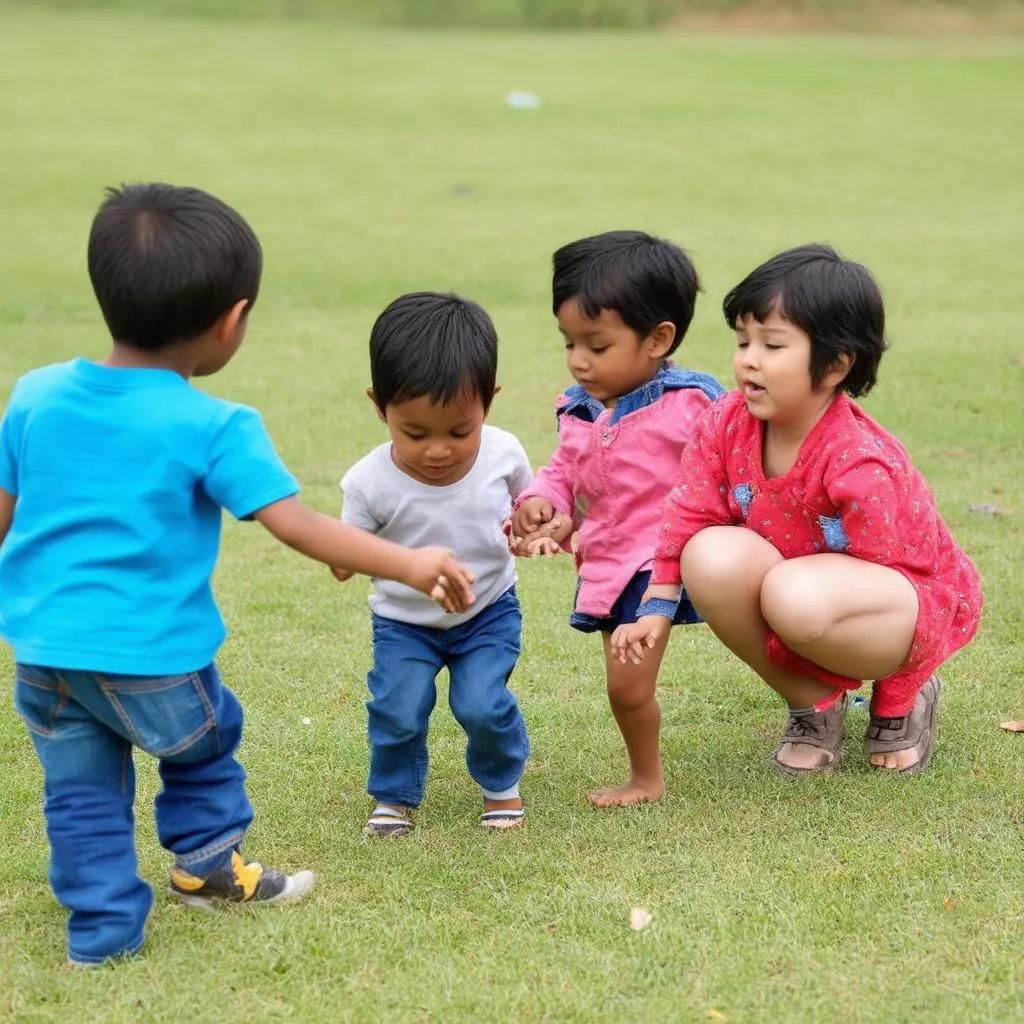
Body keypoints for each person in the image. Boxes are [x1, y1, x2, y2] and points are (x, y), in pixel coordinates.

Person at [0, 183, 476, 968]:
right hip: (151, 653)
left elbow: (5, 512)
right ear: (231, 321)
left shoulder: (36, 396)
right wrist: (410, 562)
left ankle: (102, 930)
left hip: (44, 651)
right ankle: (208, 862)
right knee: (208, 735)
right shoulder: (214, 425)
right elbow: (298, 526)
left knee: (81, 787)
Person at [612, 243, 982, 775]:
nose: (749, 359)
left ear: (835, 365)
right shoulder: (725, 422)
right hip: (802, 590)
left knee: (794, 595)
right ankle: (815, 705)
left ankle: (909, 698)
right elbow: (689, 510)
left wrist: (898, 693)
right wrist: (657, 603)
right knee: (709, 554)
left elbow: (912, 577)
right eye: (743, 340)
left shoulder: (859, 462)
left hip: (905, 604)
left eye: (772, 345)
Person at [507, 231, 723, 807]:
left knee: (767, 636)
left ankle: (825, 697)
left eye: (597, 345)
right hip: (614, 566)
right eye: (569, 342)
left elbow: (735, 465)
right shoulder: (578, 407)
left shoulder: (692, 403)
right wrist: (542, 502)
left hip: (673, 559)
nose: (579, 360)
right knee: (626, 690)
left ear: (658, 339)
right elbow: (567, 473)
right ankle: (646, 777)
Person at [338, 292, 532, 837]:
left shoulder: (504, 454)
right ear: (379, 407)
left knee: (481, 704)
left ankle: (501, 786)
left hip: (487, 611)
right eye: (416, 433)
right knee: (397, 707)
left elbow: (531, 506)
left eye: (460, 431)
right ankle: (393, 796)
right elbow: (345, 553)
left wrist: (535, 527)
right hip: (404, 622)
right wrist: (345, 559)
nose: (439, 450)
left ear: (489, 403)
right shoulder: (368, 483)